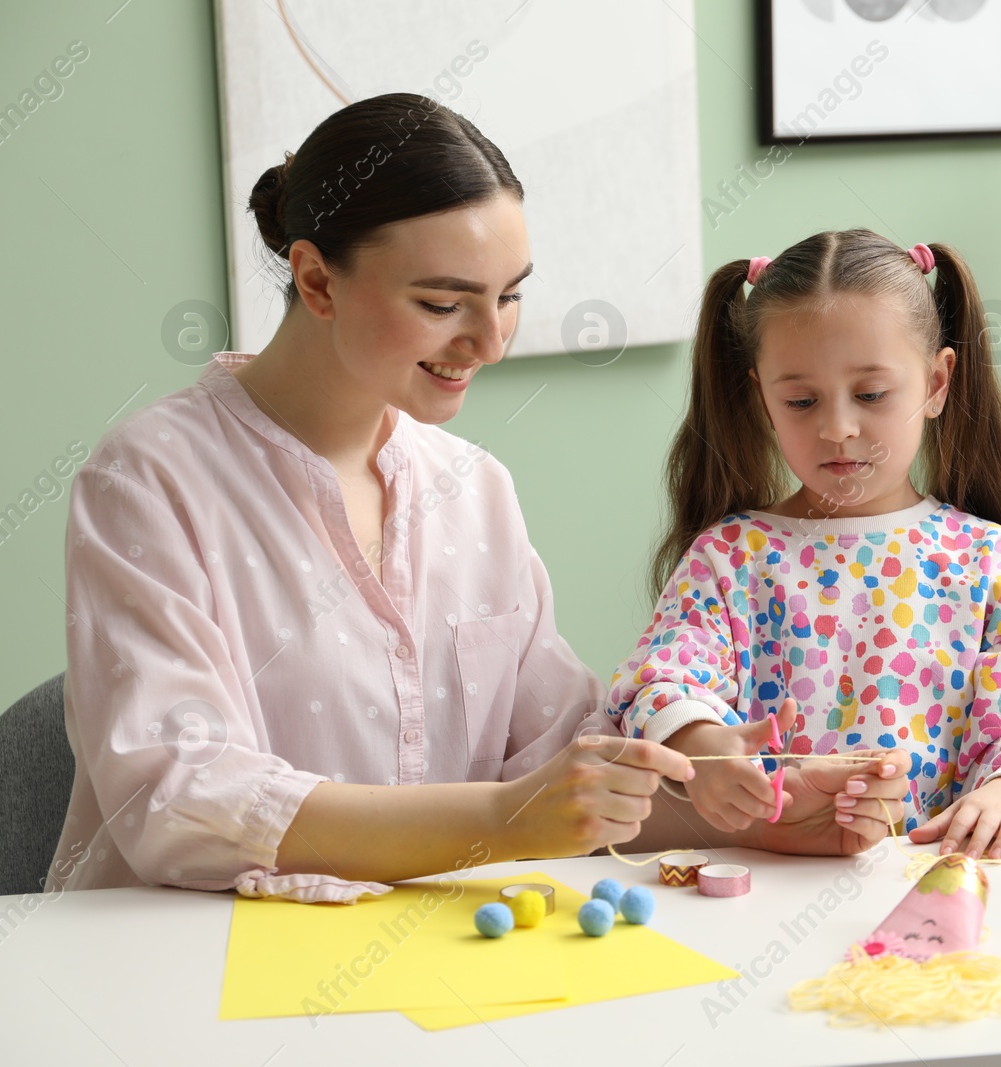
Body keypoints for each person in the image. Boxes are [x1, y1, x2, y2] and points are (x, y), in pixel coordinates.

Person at [47, 95, 901, 902]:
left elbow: (561, 759)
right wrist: (503, 819)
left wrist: (762, 810)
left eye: (511, 296)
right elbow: (179, 800)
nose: (490, 341)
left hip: (437, 966)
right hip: (181, 979)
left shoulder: (473, 488)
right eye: (443, 302)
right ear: (315, 282)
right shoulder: (151, 481)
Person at [607, 230, 1001, 862]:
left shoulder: (986, 560)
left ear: (936, 383)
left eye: (871, 395)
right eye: (800, 400)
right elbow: (664, 679)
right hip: (766, 888)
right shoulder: (729, 558)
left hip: (942, 891)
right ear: (761, 396)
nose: (837, 428)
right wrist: (707, 749)